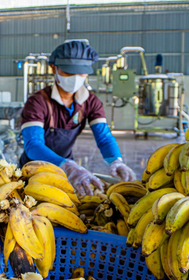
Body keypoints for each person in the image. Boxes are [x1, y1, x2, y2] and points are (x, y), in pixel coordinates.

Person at [20, 40, 137, 195]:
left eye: (80, 73)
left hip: (69, 169)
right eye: (68, 72)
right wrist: (66, 165)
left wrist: (116, 160)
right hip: (33, 170)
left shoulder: (90, 102)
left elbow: (104, 137)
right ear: (54, 68)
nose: (75, 77)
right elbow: (33, 145)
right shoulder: (38, 102)